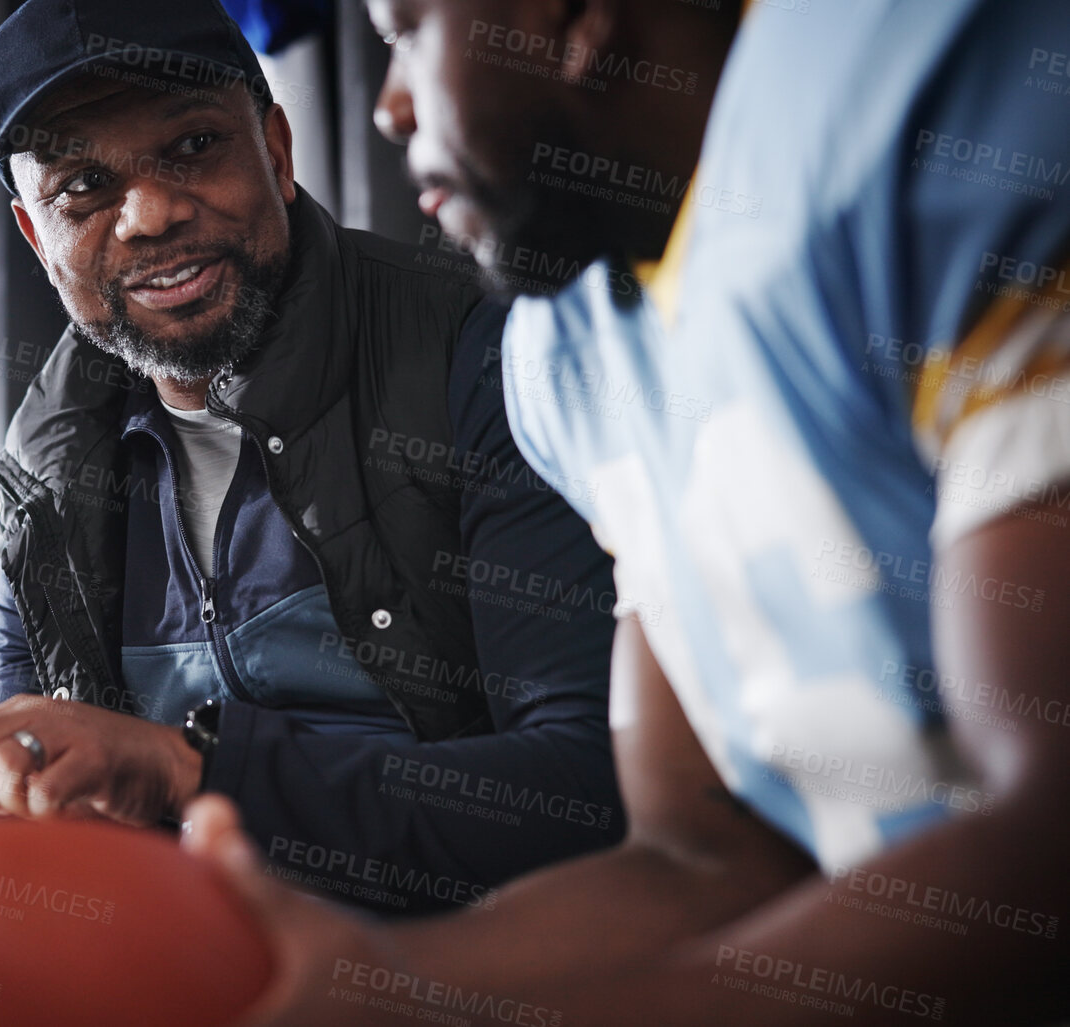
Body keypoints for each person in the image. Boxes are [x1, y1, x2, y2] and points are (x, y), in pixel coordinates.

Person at [179, 0, 1070, 1022]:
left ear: (569, 17)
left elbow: (1054, 838)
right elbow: (702, 859)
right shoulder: (575, 346)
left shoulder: (937, 112)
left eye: (409, 30)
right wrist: (356, 982)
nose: (389, 107)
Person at [0, 0, 623, 919]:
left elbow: (584, 785)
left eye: (192, 146)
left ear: (275, 149)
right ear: (35, 237)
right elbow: (31, 836)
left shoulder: (478, 353)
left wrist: (191, 769)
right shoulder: (44, 469)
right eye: (81, 188)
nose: (148, 215)